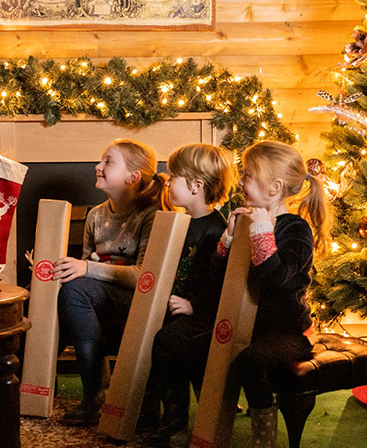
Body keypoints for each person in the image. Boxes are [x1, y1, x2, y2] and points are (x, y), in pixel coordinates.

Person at [152, 141, 330, 447]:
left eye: (248, 175)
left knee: (250, 360)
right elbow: (221, 280)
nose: (242, 181)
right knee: (182, 344)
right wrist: (229, 238)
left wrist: (261, 232)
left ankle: (264, 439)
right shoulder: (248, 221)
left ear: (274, 187)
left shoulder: (296, 230)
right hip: (248, 326)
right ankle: (179, 423)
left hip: (287, 331)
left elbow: (274, 279)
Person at [52, 138, 169, 425]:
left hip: (137, 300)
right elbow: (84, 272)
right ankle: (30, 384)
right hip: (98, 299)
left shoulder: (152, 216)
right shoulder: (95, 215)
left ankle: (95, 394)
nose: (98, 166)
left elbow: (144, 275)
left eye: (108, 162)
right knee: (52, 291)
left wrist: (86, 268)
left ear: (133, 177)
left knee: (76, 289)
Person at [139, 143, 234, 442]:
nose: (166, 181)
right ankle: (147, 408)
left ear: (196, 186)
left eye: (174, 176)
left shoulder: (214, 230)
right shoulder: (178, 222)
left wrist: (195, 306)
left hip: (200, 312)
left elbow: (218, 283)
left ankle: (176, 418)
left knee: (168, 339)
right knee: (147, 330)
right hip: (172, 305)